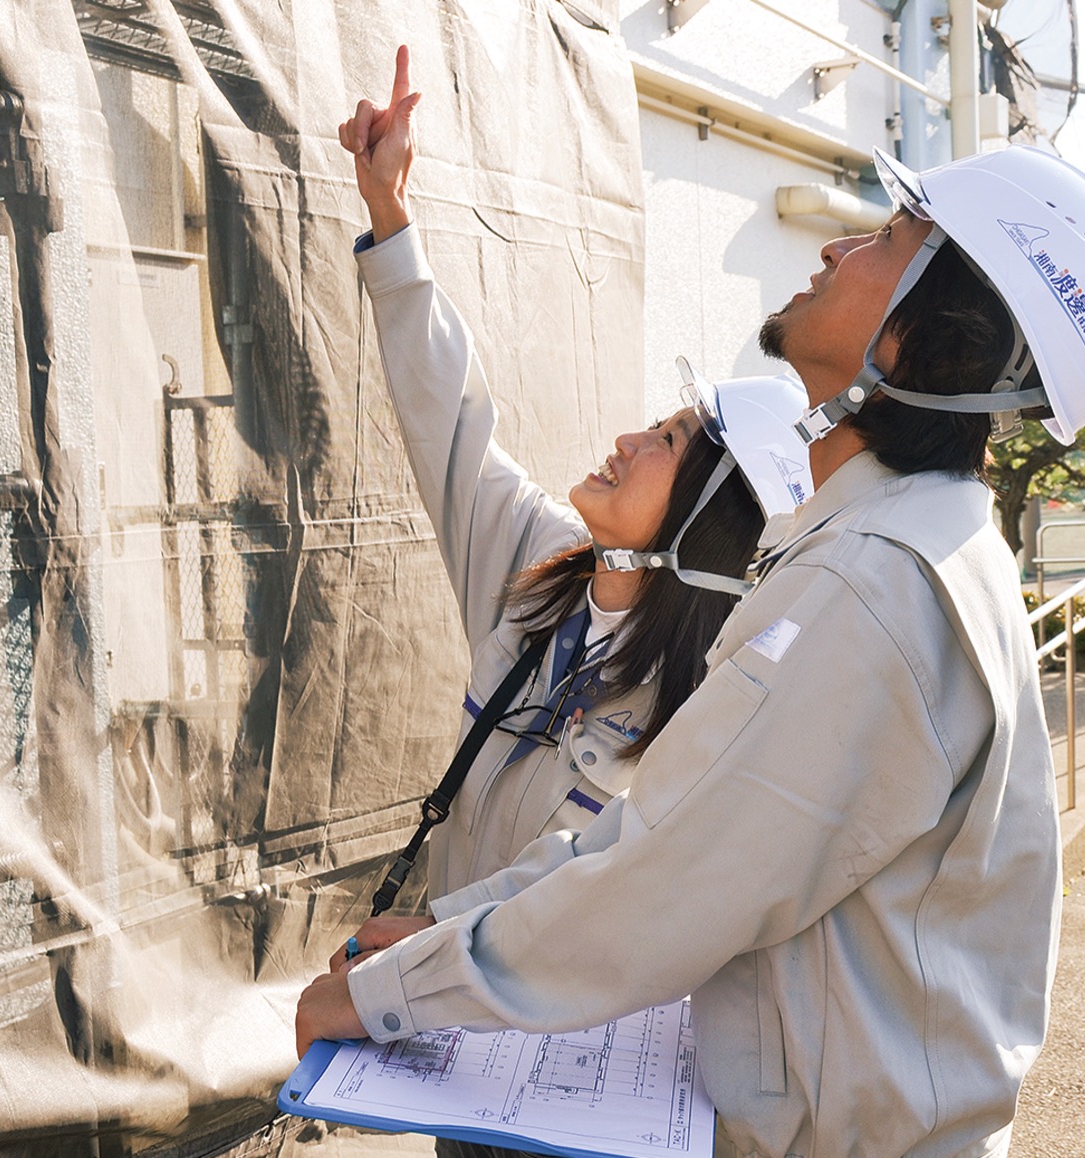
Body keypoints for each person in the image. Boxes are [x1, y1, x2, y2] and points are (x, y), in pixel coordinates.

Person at [300, 81, 1085, 1155]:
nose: (835, 248)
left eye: (891, 235)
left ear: (920, 340)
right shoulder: (872, 561)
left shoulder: (871, 587)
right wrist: (441, 931)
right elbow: (653, 838)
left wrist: (397, 993)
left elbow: (656, 883)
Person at [340, 46, 811, 901]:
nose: (628, 439)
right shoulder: (539, 573)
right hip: (437, 995)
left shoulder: (702, 715)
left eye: (666, 443)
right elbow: (449, 420)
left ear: (705, 521)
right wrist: (390, 213)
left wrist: (432, 948)